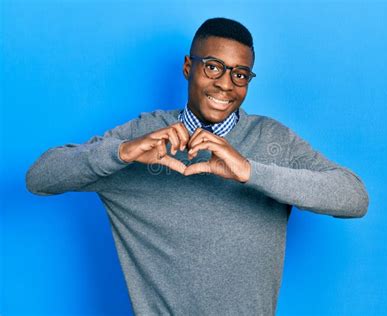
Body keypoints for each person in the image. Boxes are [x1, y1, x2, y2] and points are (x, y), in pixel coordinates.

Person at [26, 17, 369, 315]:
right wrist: (122, 153)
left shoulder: (271, 140)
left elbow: (354, 197)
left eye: (240, 74)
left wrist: (251, 171)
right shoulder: (141, 135)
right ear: (188, 67)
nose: (225, 84)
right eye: (213, 67)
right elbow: (40, 176)